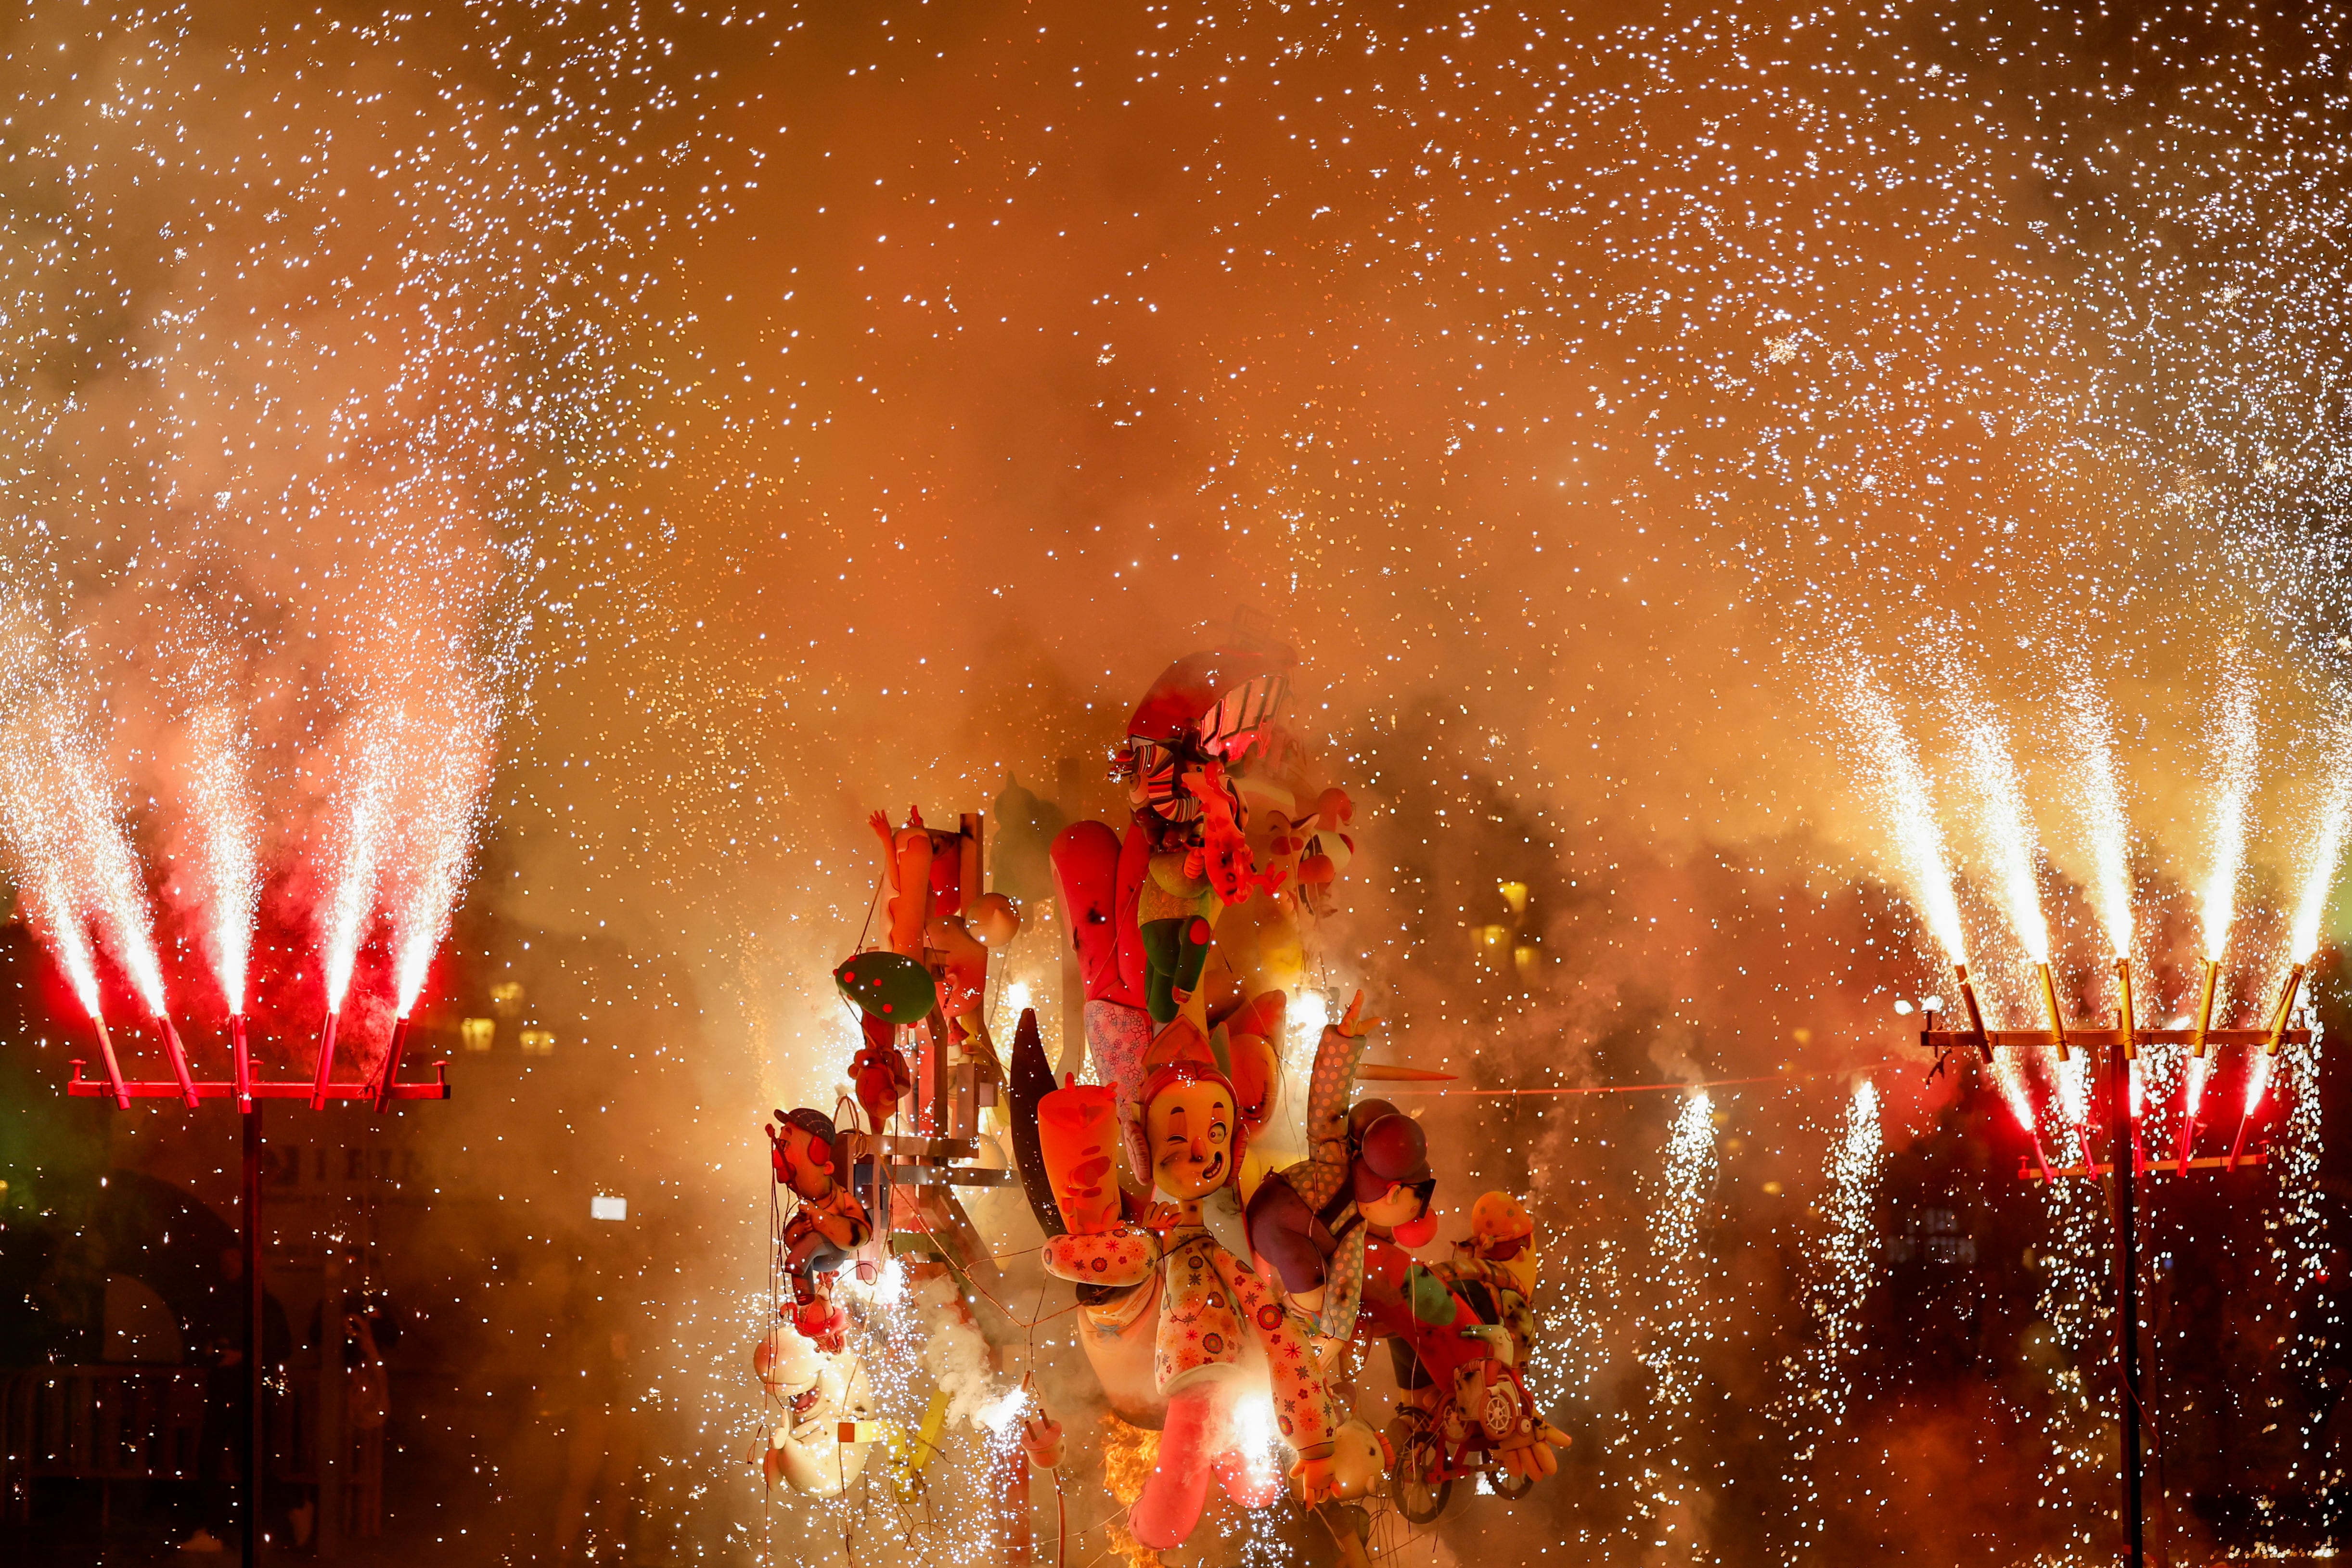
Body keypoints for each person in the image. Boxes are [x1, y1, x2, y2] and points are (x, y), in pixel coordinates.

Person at [769, 1108, 872, 1352]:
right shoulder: (825, 1288)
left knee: (809, 1245)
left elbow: (859, 1231)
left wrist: (819, 1219)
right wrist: (799, 1228)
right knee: (807, 1243)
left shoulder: (836, 1197)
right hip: (822, 1257)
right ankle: (799, 1266)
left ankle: (798, 1264)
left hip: (831, 1250)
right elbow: (794, 1234)